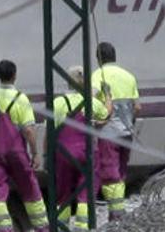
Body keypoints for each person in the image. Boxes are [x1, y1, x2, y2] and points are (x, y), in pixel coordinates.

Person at [0, 60, 48, 232]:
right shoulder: (21, 99)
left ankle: (4, 229)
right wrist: (35, 153)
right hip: (17, 152)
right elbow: (28, 130)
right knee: (29, 187)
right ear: (15, 76)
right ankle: (41, 227)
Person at [51, 65, 111, 231]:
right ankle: (81, 227)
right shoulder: (91, 102)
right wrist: (107, 95)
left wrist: (45, 155)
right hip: (87, 153)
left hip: (63, 153)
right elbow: (106, 115)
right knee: (85, 193)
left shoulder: (57, 102)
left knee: (62, 195)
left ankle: (61, 227)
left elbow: (50, 133)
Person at [91, 41, 141, 221]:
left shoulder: (98, 74)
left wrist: (100, 117)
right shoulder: (129, 76)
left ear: (98, 58)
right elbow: (137, 107)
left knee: (109, 173)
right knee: (120, 172)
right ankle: (118, 212)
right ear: (114, 56)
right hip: (127, 132)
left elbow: (90, 97)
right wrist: (128, 121)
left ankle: (116, 213)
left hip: (108, 133)